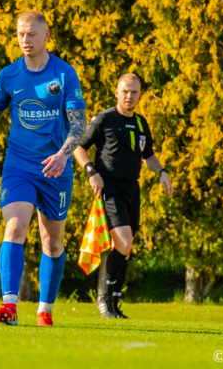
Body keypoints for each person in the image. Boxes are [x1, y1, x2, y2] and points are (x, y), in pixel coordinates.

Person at [0, 11, 86, 327]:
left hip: (55, 168)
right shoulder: (8, 75)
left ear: (46, 35)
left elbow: (78, 125)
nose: (25, 40)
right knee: (15, 227)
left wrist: (64, 155)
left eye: (32, 34)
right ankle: (9, 305)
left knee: (52, 242)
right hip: (18, 165)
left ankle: (45, 309)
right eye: (21, 34)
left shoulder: (64, 75)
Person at [72, 73, 174, 319]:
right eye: (125, 91)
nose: (129, 96)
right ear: (116, 92)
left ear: (140, 95)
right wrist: (91, 171)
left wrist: (161, 171)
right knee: (124, 241)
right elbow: (78, 146)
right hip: (110, 187)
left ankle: (115, 303)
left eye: (134, 92)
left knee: (125, 249)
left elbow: (147, 155)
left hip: (132, 188)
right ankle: (104, 299)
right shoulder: (104, 119)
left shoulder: (140, 123)